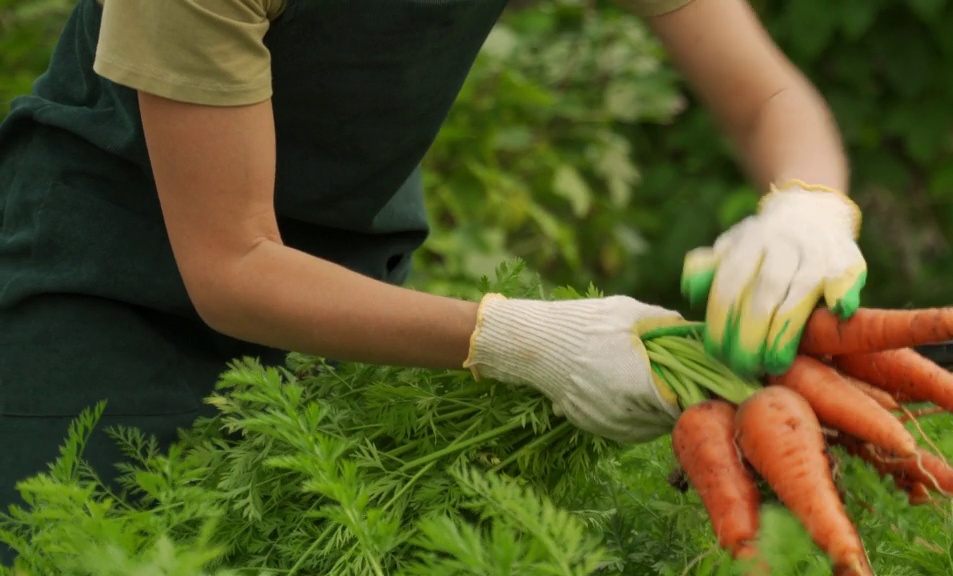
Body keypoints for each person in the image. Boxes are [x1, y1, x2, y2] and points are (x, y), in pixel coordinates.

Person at [0, 0, 867, 504]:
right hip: (104, 281)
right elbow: (233, 263)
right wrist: (526, 340)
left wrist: (809, 207)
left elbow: (766, 97)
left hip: (349, 276)